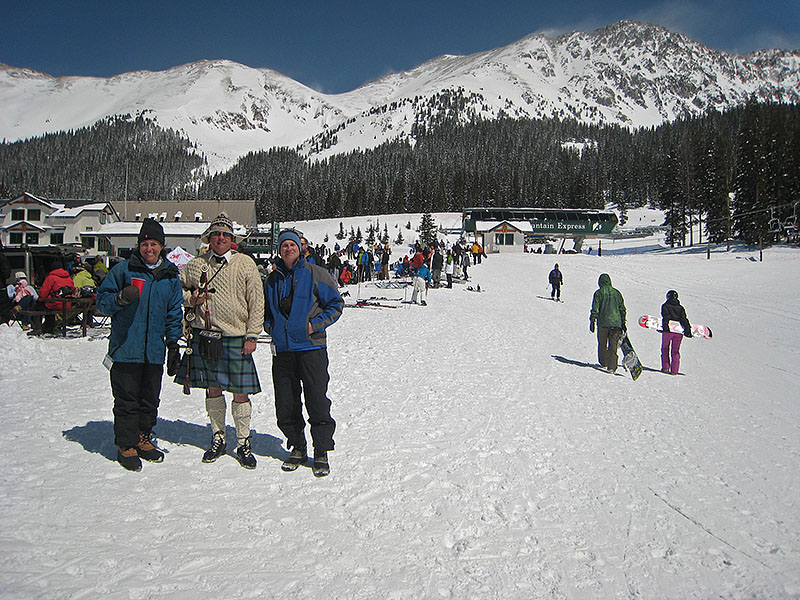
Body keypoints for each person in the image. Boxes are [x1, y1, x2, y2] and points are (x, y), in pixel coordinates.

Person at [176, 213, 265, 469]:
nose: (221, 238)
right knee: (212, 389)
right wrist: (191, 299)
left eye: (225, 234)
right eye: (216, 234)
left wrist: (252, 335)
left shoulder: (245, 263)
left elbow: (256, 302)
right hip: (206, 336)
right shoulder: (195, 264)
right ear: (209, 237)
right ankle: (218, 437)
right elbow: (176, 288)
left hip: (237, 337)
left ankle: (243, 441)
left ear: (232, 238)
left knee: (240, 393)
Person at [96, 218, 184, 471]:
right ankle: (126, 444)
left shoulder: (169, 276)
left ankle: (143, 437)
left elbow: (173, 314)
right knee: (126, 400)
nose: (149, 248)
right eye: (145, 243)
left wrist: (173, 345)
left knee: (149, 399)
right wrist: (121, 298)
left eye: (154, 244)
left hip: (154, 351)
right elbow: (102, 303)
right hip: (126, 348)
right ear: (139, 245)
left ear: (161, 246)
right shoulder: (124, 270)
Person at [263, 230, 343, 477]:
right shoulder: (272, 279)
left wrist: (313, 325)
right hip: (283, 350)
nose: (289, 248)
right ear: (280, 250)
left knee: (317, 400)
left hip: (311, 349)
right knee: (286, 402)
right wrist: (271, 327)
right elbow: (266, 311)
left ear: (300, 248)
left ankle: (321, 450)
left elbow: (336, 305)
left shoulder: (316, 273)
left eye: (292, 245)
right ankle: (297, 445)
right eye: (284, 245)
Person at [589, 273, 627, 373]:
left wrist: (592, 320)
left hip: (603, 323)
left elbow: (595, 308)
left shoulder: (599, 293)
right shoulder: (617, 293)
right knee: (613, 345)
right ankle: (612, 366)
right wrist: (623, 322)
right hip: (616, 323)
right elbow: (622, 309)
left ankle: (604, 362)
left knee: (602, 343)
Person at [38, 261, 77, 334]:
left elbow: (44, 292)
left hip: (55, 303)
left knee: (38, 306)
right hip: (67, 304)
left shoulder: (51, 277)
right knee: (50, 306)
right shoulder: (69, 278)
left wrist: (40, 299)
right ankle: (49, 327)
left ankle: (37, 327)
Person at [660, 290, 692, 374]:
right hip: (678, 331)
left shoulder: (665, 306)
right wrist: (687, 329)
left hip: (668, 331)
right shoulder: (680, 308)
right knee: (676, 350)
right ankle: (674, 370)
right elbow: (684, 319)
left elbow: (665, 317)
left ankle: (665, 367)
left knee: (665, 348)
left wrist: (665, 327)